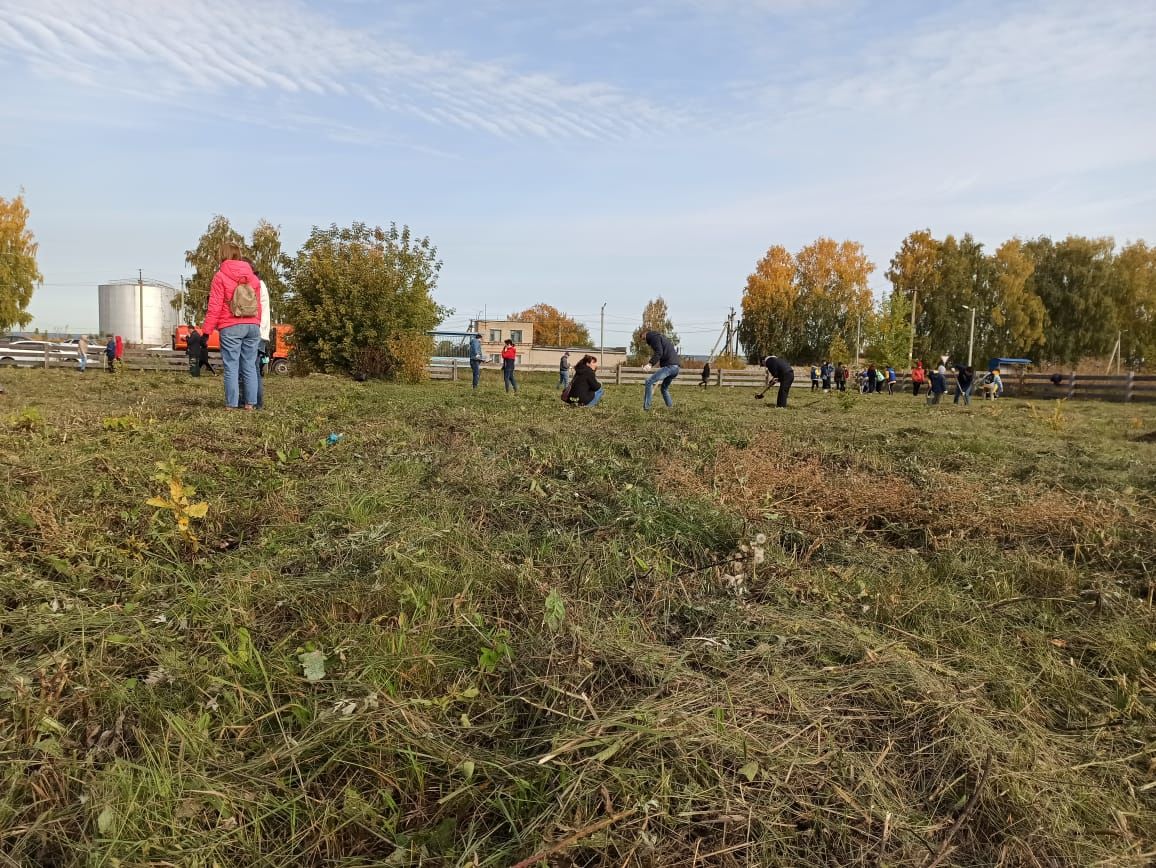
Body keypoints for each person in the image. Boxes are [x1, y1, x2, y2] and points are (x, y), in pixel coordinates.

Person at [200, 241, 262, 410]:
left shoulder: (220, 276)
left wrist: (206, 332)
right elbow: (259, 305)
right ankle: (250, 404)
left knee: (231, 366)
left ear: (222, 255)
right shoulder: (253, 278)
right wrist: (257, 323)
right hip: (252, 325)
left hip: (231, 325)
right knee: (249, 365)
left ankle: (231, 405)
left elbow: (215, 306)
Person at [642, 330, 680, 410]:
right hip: (676, 367)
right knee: (664, 388)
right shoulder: (660, 337)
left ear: (646, 335)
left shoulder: (654, 338)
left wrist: (650, 364)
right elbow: (664, 353)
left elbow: (659, 352)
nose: (645, 341)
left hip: (669, 367)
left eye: (643, 339)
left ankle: (646, 408)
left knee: (649, 381)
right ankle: (670, 408)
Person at [253, 267, 271, 410]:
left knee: (250, 369)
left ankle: (253, 402)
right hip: (262, 333)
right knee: (255, 370)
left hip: (256, 331)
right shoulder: (262, 285)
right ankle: (257, 402)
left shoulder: (256, 285)